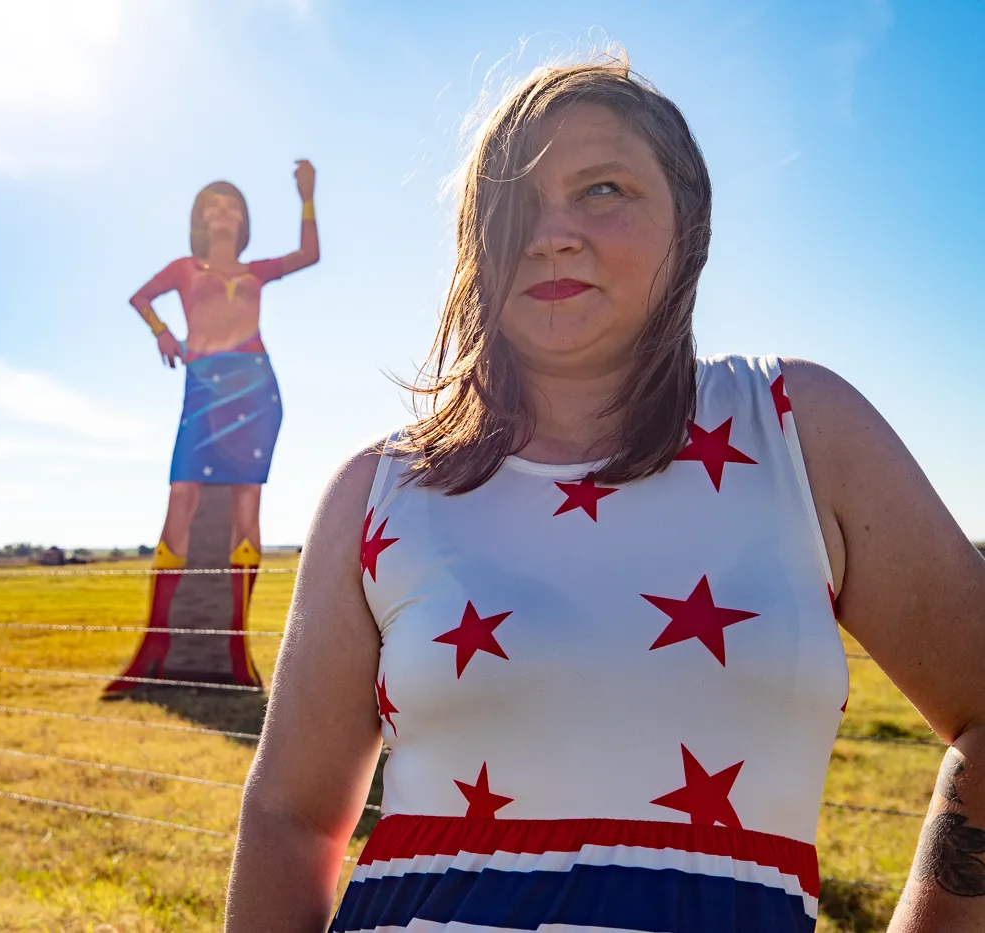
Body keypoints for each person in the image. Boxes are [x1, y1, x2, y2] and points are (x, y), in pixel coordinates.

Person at [225, 55, 985, 932]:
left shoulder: (801, 429)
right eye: (512, 205)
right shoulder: (381, 487)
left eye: (602, 189)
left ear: (688, 223)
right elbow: (291, 819)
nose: (550, 233)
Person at [116, 162, 319, 686]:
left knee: (246, 506)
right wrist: (163, 333)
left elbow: (309, 256)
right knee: (180, 497)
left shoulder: (256, 272)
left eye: (231, 205)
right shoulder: (185, 269)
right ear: (200, 220)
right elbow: (139, 297)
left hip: (255, 389)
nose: (222, 212)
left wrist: (306, 196)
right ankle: (151, 649)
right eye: (212, 205)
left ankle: (236, 653)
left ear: (242, 219)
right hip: (203, 386)